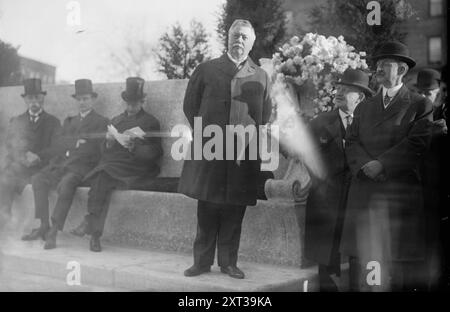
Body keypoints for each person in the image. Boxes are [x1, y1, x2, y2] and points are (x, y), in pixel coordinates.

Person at [178, 19, 272, 279]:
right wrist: (209, 134)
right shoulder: (207, 69)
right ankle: (201, 262)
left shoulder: (261, 75)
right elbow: (190, 106)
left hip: (243, 154)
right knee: (207, 206)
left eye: (244, 37)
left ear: (252, 43)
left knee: (234, 209)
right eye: (235, 36)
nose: (239, 40)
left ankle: (229, 262)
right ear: (227, 39)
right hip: (211, 149)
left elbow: (264, 115)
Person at [342, 41, 433, 291]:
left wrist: (381, 164)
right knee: (364, 268)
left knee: (396, 271)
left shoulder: (419, 105)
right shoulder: (364, 106)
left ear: (402, 71)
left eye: (385, 64)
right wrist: (365, 165)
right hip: (365, 198)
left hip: (397, 200)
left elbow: (417, 143)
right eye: (377, 64)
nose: (378, 69)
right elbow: (351, 142)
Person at [70, 77, 163, 252]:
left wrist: (134, 145)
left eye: (135, 103)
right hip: (116, 167)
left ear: (142, 101)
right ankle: (94, 234)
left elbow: (156, 153)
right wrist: (109, 142)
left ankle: (91, 226)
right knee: (103, 178)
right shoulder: (116, 120)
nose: (130, 107)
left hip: (137, 167)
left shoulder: (150, 121)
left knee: (102, 176)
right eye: (128, 103)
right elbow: (105, 153)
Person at [305, 68, 373, 291]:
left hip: (358, 200)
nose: (339, 92)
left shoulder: (369, 124)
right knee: (327, 259)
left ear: (360, 96)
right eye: (339, 88)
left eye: (347, 89)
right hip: (328, 200)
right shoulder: (319, 122)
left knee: (358, 255)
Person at [21, 79, 109, 248]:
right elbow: (58, 143)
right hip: (62, 164)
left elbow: (94, 149)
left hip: (82, 167)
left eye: (86, 99)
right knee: (38, 178)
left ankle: (54, 229)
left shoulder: (101, 121)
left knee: (67, 184)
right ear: (76, 100)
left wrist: (70, 144)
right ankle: (43, 224)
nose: (82, 102)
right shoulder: (69, 121)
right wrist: (75, 143)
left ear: (93, 99)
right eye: (79, 99)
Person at [0, 79, 60, 225]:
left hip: (42, 168)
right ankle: (4, 216)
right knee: (6, 176)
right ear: (25, 100)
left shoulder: (53, 122)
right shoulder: (17, 121)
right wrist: (22, 157)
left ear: (42, 98)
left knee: (38, 179)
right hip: (21, 167)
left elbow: (57, 147)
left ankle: (41, 225)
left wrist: (39, 156)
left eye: (37, 97)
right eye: (30, 98)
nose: (34, 101)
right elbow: (10, 146)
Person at [415, 68, 448, 290]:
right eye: (422, 93)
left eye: (431, 93)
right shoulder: (421, 116)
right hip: (423, 194)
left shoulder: (443, 116)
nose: (426, 98)